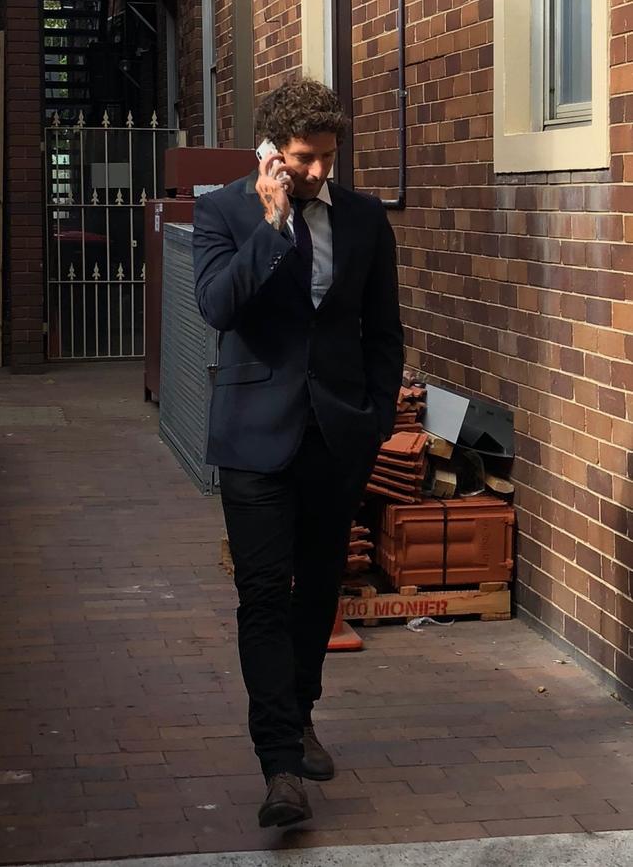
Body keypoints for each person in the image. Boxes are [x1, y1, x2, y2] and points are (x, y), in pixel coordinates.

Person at [193, 78, 403, 828]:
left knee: (317, 588)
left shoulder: (366, 219)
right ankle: (280, 763)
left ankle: (302, 709)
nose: (318, 172)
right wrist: (271, 224)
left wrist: (374, 420)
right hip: (253, 436)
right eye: (305, 158)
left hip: (336, 437)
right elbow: (217, 305)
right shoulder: (223, 210)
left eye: (329, 158)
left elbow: (383, 332)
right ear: (273, 154)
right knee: (262, 597)